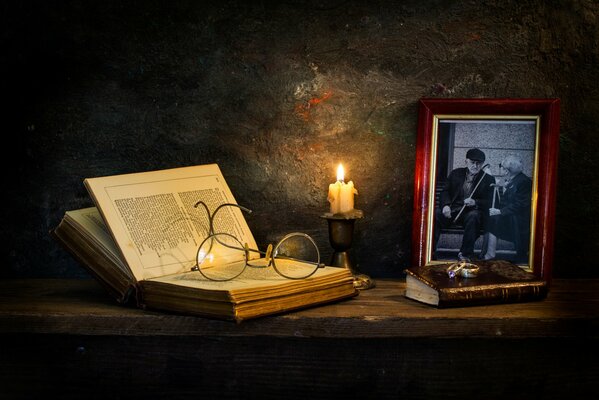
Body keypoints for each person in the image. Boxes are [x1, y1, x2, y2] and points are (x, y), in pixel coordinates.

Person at [434, 148, 495, 261]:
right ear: (466, 161)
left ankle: (465, 254)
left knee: (474, 216)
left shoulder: (488, 179)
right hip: (453, 211)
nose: (475, 166)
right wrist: (445, 205)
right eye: (472, 162)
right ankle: (430, 251)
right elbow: (445, 192)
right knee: (436, 214)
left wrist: (475, 202)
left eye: (479, 163)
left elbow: (492, 202)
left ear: (482, 164)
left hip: (471, 214)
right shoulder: (455, 173)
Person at [480, 155, 532, 263]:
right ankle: (487, 253)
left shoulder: (524, 182)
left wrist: (500, 211)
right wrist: (500, 186)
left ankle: (489, 254)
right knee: (490, 219)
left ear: (508, 170)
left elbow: (520, 204)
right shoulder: (514, 179)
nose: (502, 169)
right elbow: (510, 198)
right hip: (511, 217)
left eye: (502, 167)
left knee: (493, 219)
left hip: (519, 220)